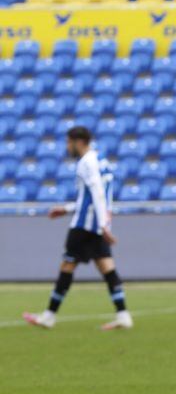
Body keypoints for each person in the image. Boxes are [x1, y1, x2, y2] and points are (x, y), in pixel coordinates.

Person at [23, 126, 132, 331]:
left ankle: (49, 316)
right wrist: (67, 209)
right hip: (96, 224)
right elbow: (93, 197)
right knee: (107, 267)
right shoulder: (101, 160)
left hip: (84, 225)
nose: (67, 147)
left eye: (68, 142)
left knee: (67, 266)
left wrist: (103, 224)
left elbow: (97, 192)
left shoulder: (86, 162)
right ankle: (123, 315)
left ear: (78, 142)